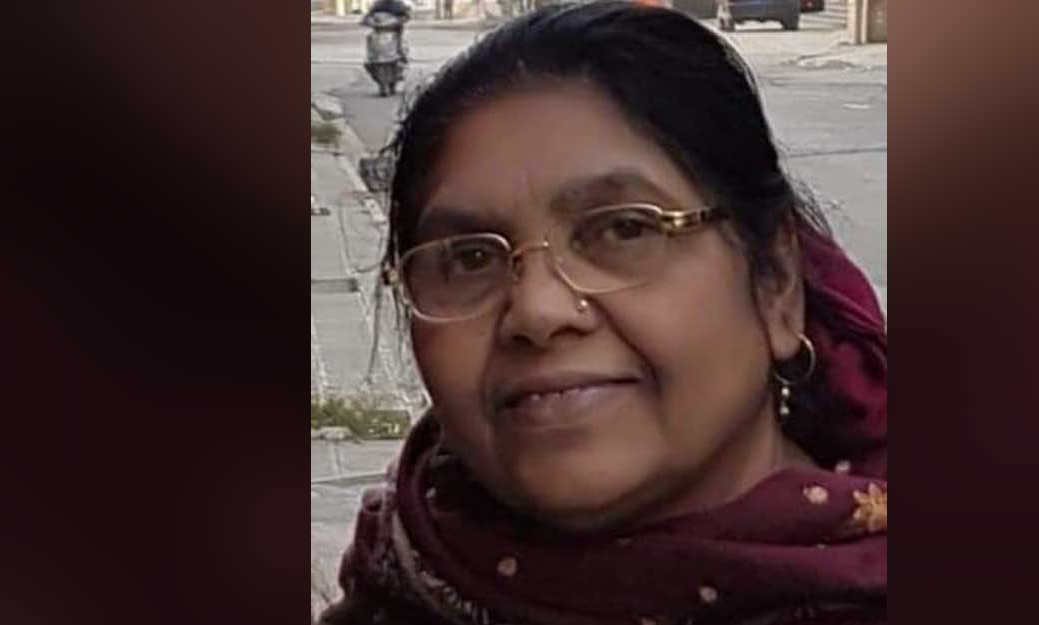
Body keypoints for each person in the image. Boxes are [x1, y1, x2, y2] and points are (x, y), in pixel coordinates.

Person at [319, 2, 886, 623]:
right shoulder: (396, 588)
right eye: (470, 258)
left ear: (775, 282)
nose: (537, 311)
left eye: (624, 230)